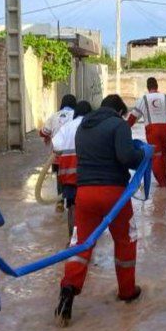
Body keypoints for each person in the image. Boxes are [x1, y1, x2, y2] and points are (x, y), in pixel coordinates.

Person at [55, 95, 145, 327]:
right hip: (114, 195)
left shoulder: (83, 126)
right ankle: (126, 291)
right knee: (126, 239)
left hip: (84, 193)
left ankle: (68, 287)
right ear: (119, 111)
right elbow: (126, 157)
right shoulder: (118, 125)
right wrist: (142, 155)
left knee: (81, 243)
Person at [51, 100, 93, 237]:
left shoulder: (67, 127)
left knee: (72, 206)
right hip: (89, 175)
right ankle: (88, 239)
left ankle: (72, 239)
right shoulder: (93, 126)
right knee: (89, 207)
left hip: (69, 175)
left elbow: (56, 146)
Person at [127, 77, 166, 188]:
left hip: (152, 130)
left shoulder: (143, 99)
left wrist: (124, 129)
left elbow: (133, 117)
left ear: (148, 87)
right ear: (157, 86)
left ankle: (162, 183)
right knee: (164, 153)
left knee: (156, 156)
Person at [41, 94, 77, 212]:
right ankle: (73, 201)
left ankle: (60, 201)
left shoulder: (54, 116)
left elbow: (43, 132)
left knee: (60, 178)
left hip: (56, 156)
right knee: (73, 177)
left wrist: (47, 137)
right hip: (72, 156)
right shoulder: (76, 117)